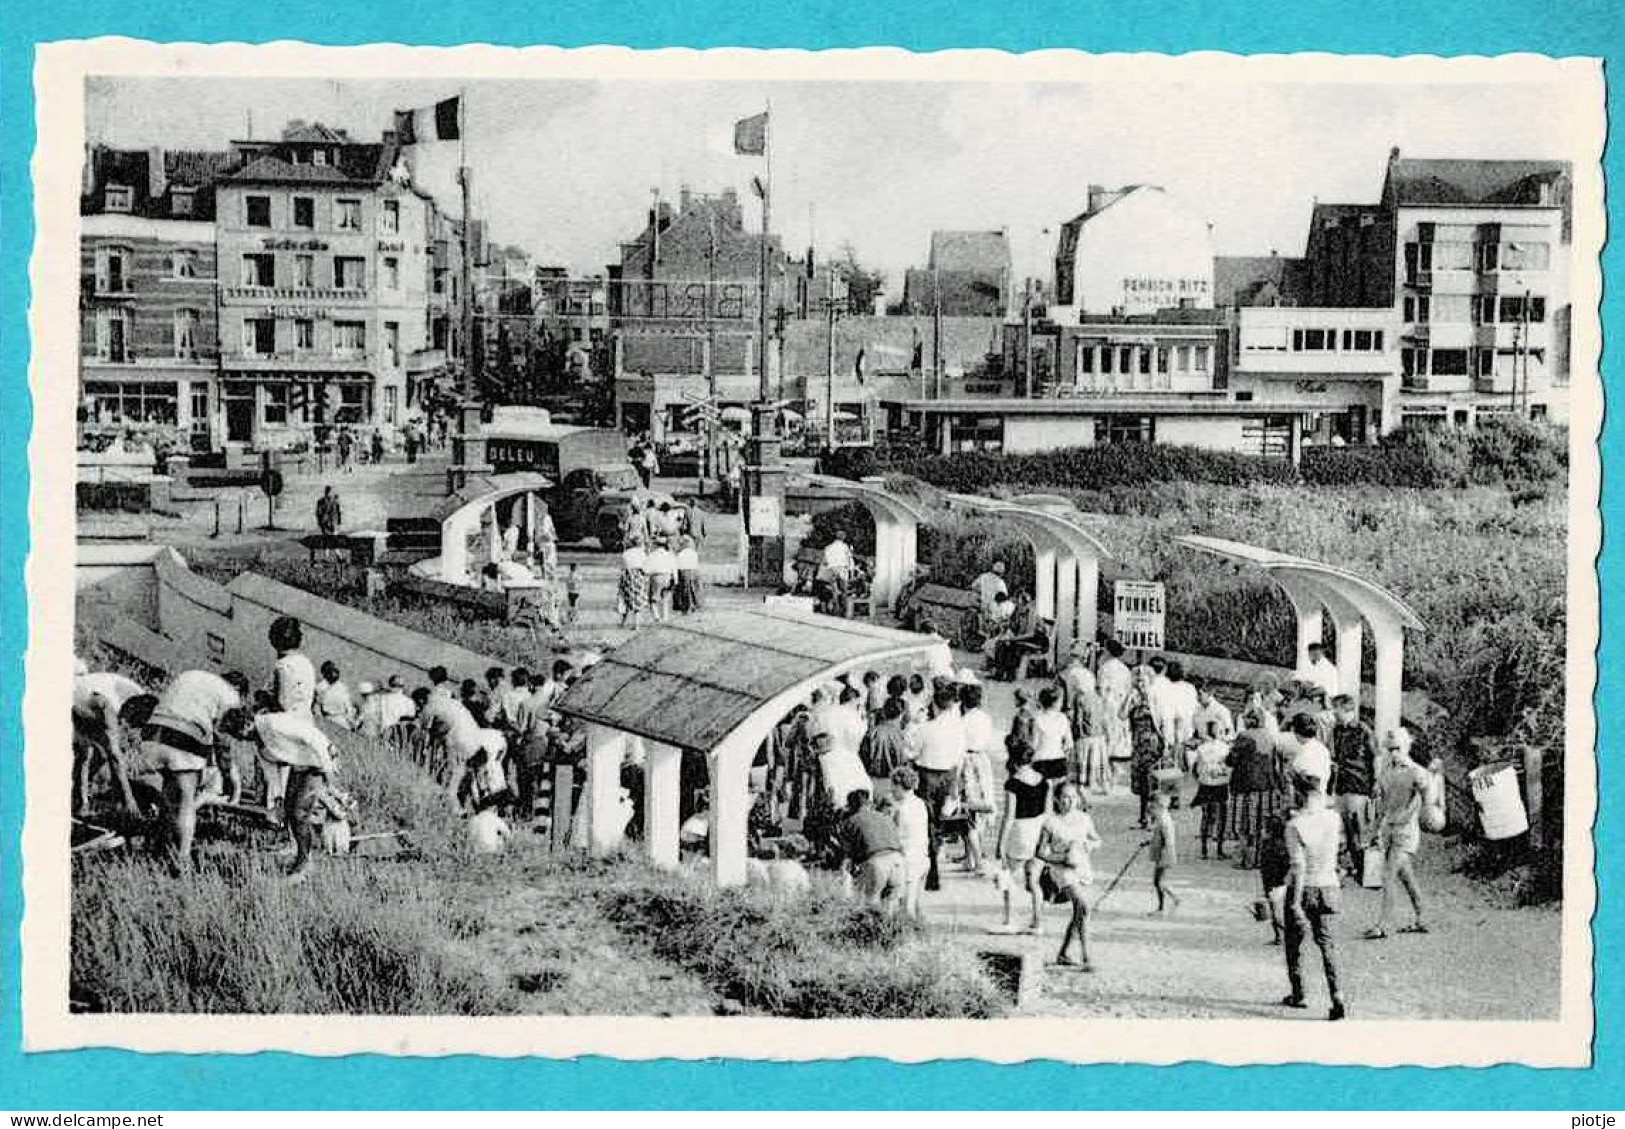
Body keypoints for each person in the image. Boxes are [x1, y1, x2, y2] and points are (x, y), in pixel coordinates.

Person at [133, 668, 250, 867]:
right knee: (186, 802)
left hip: (152, 734)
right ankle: (182, 860)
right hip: (186, 737)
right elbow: (222, 740)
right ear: (239, 690)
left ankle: (159, 846)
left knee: (170, 795)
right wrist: (230, 776)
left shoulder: (191, 675)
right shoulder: (230, 697)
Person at [1282, 771, 1348, 1020]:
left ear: (1297, 794)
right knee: (1327, 944)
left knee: (1294, 943)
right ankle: (1337, 995)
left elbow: (1298, 865)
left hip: (1306, 886)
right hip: (1329, 884)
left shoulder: (1294, 825)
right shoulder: (1333, 818)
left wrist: (1296, 902)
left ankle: (1299, 993)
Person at [1367, 727, 1431, 940]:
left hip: (1407, 832)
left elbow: (1430, 800)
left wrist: (1427, 811)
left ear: (1406, 748)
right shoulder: (1386, 772)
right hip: (1390, 829)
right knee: (1406, 875)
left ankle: (1383, 924)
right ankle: (1423, 916)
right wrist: (1375, 830)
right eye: (1390, 749)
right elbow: (1381, 805)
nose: (1394, 753)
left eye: (1397, 748)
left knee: (1388, 875)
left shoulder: (1417, 772)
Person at [1036, 782, 1102, 969]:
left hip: (1082, 867)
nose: (1070, 801)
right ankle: (1087, 957)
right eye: (1065, 797)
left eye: (1073, 797)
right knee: (1084, 906)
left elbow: (1097, 839)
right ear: (1057, 799)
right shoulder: (1050, 822)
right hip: (1062, 870)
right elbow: (1041, 852)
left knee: (1079, 912)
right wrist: (1062, 857)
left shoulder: (1084, 819)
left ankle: (1064, 953)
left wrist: (1090, 846)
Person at [72, 665, 148, 817]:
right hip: (75, 699)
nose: (127, 726)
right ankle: (78, 801)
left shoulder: (138, 696)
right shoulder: (109, 704)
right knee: (87, 753)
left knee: (96, 753)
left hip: (83, 696)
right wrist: (129, 800)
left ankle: (80, 802)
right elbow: (114, 755)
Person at [909, 686, 965, 891]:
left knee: (927, 823)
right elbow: (960, 759)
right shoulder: (958, 729)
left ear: (935, 705)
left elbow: (914, 753)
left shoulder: (926, 728)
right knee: (941, 823)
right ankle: (936, 859)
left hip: (928, 777)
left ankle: (931, 866)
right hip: (949, 776)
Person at [992, 738, 1048, 935]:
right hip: (1038, 829)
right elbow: (1046, 812)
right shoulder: (1043, 781)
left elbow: (1008, 817)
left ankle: (1009, 919)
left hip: (1020, 832)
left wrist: (1001, 844)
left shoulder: (1013, 784)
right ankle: (1037, 922)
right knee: (1034, 880)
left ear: (1014, 761)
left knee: (1010, 877)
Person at [1328, 693, 1379, 883]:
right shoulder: (1336, 730)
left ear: (1346, 709)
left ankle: (1367, 870)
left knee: (1362, 829)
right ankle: (1358, 867)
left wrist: (1375, 783)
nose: (1333, 713)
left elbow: (1375, 758)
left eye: (1336, 709)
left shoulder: (1363, 730)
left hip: (1359, 785)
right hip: (1342, 783)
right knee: (1349, 830)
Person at [267, 616, 316, 814]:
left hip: (286, 724)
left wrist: (265, 699)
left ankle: (274, 813)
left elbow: (283, 702)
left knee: (276, 770)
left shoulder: (283, 666)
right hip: (305, 721)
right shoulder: (306, 663)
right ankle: (287, 812)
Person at [1226, 707, 1279, 868]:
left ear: (1249, 721)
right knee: (1260, 824)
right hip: (1265, 786)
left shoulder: (1244, 736)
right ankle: (1257, 858)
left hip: (1244, 785)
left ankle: (1244, 857)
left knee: (1243, 824)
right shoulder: (1270, 737)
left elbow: (1231, 760)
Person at [838, 789, 905, 908]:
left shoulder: (850, 822)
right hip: (898, 862)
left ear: (851, 806)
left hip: (876, 862)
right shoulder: (884, 817)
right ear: (870, 803)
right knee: (890, 908)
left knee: (869, 906)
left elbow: (848, 855)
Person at [957, 688, 998, 875]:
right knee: (981, 808)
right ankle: (970, 858)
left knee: (968, 813)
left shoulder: (962, 721)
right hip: (983, 761)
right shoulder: (985, 718)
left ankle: (976, 859)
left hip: (967, 763)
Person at [890, 766, 931, 919]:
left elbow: (896, 837)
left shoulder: (901, 809)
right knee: (915, 902)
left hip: (907, 860)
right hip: (922, 858)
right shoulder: (920, 804)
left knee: (906, 906)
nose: (892, 789)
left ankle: (908, 936)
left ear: (900, 785)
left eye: (894, 786)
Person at [1191, 738, 1232, 860]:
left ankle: (1204, 850)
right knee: (1221, 817)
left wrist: (1202, 778)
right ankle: (1219, 850)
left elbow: (1195, 770)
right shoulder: (1225, 747)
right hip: (1221, 784)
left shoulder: (1201, 748)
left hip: (1205, 785)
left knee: (1206, 816)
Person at [1097, 638, 1134, 768]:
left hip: (1108, 702)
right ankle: (1119, 754)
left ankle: (1107, 754)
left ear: (1108, 651)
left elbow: (1101, 688)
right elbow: (1129, 688)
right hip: (1121, 703)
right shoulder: (1125, 669)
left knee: (1108, 729)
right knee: (1120, 729)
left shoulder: (1104, 668)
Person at [1029, 686, 1072, 791]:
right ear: (1055, 703)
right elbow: (1069, 744)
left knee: (1041, 795)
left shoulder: (1037, 719)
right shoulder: (1062, 718)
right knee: (1058, 793)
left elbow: (1034, 743)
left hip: (1041, 761)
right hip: (1059, 759)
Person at [1257, 813, 1292, 945]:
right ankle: (1284, 935)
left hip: (1273, 883)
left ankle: (1280, 936)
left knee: (1276, 911)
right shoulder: (1286, 844)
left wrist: (1266, 889)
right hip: (1284, 882)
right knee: (1284, 910)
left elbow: (1266, 868)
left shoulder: (1268, 846)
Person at [1145, 789, 1180, 914]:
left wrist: (1163, 855)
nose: (1151, 809)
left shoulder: (1164, 821)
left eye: (1153, 806)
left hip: (1165, 854)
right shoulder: (1161, 818)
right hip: (1163, 853)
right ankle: (1172, 899)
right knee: (1158, 881)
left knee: (1158, 882)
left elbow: (1168, 840)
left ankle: (1164, 905)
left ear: (1160, 805)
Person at [1283, 712, 1333, 793]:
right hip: (1319, 792)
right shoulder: (1320, 747)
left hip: (1311, 795)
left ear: (1294, 730)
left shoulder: (1306, 751)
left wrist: (1292, 774)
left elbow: (1312, 781)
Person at [617, 535, 650, 629]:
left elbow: (622, 567)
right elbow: (645, 567)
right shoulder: (642, 553)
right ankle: (637, 624)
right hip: (639, 576)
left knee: (625, 599)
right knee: (637, 600)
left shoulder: (626, 553)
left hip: (628, 576)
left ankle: (622, 623)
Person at [819, 529, 855, 616]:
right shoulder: (845, 547)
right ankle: (844, 610)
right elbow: (850, 559)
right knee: (844, 590)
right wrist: (851, 571)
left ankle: (836, 609)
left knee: (835, 591)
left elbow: (824, 561)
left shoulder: (828, 547)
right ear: (843, 537)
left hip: (832, 569)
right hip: (842, 569)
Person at [314, 661, 358, 731]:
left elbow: (316, 705)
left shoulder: (319, 687)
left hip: (328, 717)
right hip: (341, 719)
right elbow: (348, 708)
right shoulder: (342, 687)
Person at [645, 537, 677, 623]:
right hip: (668, 576)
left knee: (653, 598)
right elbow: (674, 567)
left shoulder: (652, 555)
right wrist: (675, 579)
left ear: (656, 545)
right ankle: (665, 616)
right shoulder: (669, 554)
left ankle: (656, 617)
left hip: (656, 577)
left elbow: (646, 569)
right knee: (665, 598)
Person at [970, 560, 1009, 624]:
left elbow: (973, 586)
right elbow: (1004, 596)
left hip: (983, 605)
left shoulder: (983, 576)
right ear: (1002, 573)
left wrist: (982, 591)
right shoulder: (1001, 582)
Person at [672, 533, 703, 615]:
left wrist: (675, 579)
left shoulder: (679, 554)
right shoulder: (693, 553)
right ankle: (695, 605)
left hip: (684, 572)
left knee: (685, 591)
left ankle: (686, 608)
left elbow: (676, 566)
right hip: (694, 572)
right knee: (693, 590)